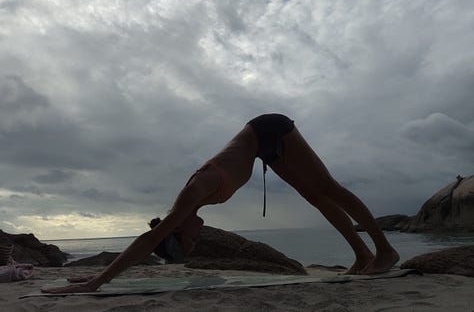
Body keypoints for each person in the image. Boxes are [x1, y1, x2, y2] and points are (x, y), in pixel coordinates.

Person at [43, 113, 399, 294]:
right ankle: (361, 255)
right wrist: (96, 275)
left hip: (268, 129)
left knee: (327, 188)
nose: (200, 238)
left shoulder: (189, 198)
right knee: (314, 196)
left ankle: (383, 249)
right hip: (263, 148)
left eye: (190, 240)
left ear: (177, 230)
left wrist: (98, 281)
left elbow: (148, 240)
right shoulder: (191, 208)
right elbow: (151, 241)